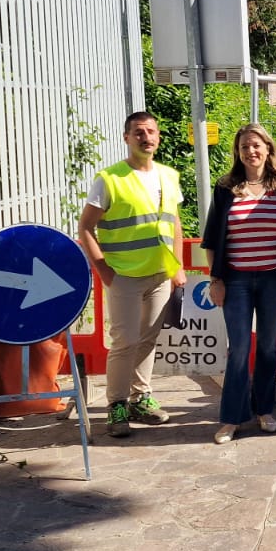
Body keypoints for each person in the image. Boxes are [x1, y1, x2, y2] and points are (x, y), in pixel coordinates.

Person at [76, 111, 185, 438]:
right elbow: (85, 227)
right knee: (125, 342)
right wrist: (104, 270)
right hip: (123, 275)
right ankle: (117, 405)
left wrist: (177, 267)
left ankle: (141, 397)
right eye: (139, 132)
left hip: (159, 275)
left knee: (148, 340)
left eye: (151, 131)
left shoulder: (168, 175)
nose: (146, 137)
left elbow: (174, 224)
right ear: (127, 138)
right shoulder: (110, 179)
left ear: (158, 137)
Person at [201, 124, 276, 444]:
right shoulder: (226, 187)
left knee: (268, 347)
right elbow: (213, 238)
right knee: (239, 349)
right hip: (237, 280)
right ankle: (231, 418)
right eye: (245, 146)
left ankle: (265, 411)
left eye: (256, 145)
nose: (251, 151)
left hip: (274, 278)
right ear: (238, 152)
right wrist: (215, 280)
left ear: (268, 149)